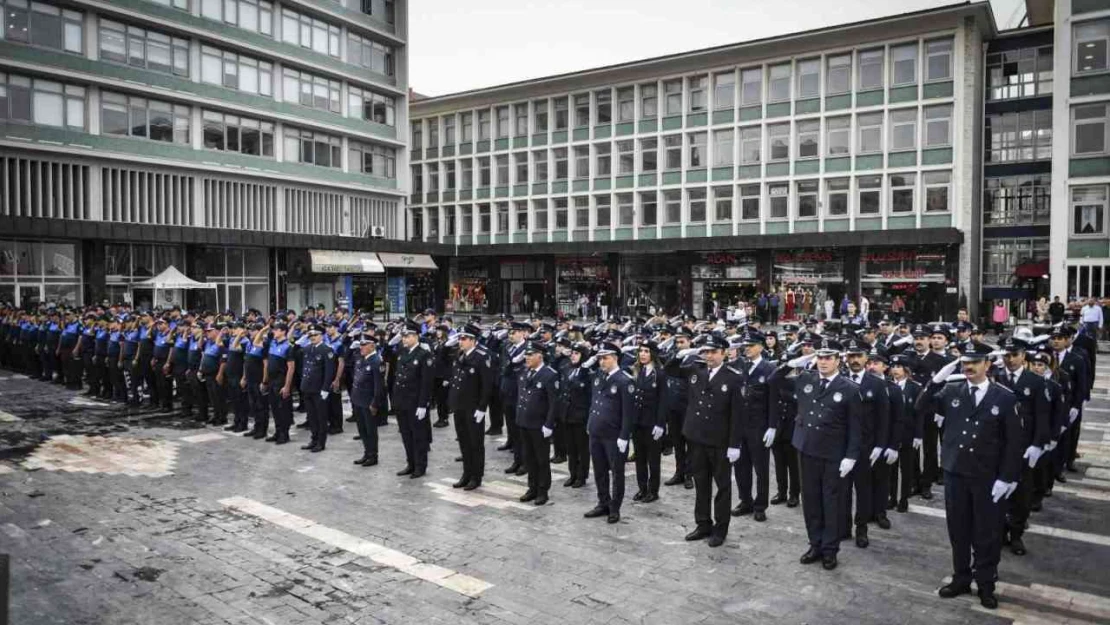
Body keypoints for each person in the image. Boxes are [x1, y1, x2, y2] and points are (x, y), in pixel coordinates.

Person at [926, 342, 1022, 611]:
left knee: (987, 533)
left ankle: (986, 583)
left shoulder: (1004, 397)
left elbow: (1014, 442)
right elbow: (921, 407)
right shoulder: (952, 390)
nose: (968, 367)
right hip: (955, 473)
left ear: (987, 365)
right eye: (964, 362)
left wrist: (1007, 477)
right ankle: (961, 578)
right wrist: (936, 380)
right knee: (958, 530)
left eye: (974, 362)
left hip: (986, 477)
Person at [668, 334, 744, 548]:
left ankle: (720, 529)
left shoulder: (734, 377)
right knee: (701, 484)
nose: (708, 356)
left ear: (724, 353)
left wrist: (734, 444)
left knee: (722, 487)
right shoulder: (696, 369)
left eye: (713, 352)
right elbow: (669, 370)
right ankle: (703, 523)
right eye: (705, 351)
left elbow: (738, 415)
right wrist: (683, 353)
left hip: (720, 441)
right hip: (696, 438)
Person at [792, 338, 861, 571]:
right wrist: (799, 360)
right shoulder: (806, 379)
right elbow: (775, 379)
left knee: (831, 503)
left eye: (828, 358)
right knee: (810, 501)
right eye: (820, 357)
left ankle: (830, 549)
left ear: (838, 360)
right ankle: (815, 544)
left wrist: (851, 456)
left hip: (833, 454)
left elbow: (856, 426)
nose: (823, 362)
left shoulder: (849, 389)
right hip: (807, 449)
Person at [839, 338, 890, 549]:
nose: (855, 360)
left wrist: (880, 445)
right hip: (841, 445)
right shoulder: (839, 380)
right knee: (842, 489)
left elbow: (883, 417)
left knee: (863, 490)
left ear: (866, 358)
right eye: (851, 356)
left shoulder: (876, 383)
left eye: (859, 356)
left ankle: (862, 529)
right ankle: (843, 527)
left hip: (865, 446)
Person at [584, 342, 636, 524]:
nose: (601, 362)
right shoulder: (599, 376)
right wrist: (590, 424)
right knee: (599, 470)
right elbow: (593, 401)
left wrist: (624, 436)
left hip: (613, 435)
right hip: (596, 431)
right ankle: (602, 502)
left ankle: (615, 507)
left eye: (605, 358)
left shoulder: (625, 380)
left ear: (615, 358)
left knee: (617, 473)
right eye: (599, 358)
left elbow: (629, 413)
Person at [732, 330, 776, 522]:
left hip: (759, 426)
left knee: (761, 469)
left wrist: (772, 426)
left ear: (760, 347)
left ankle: (760, 505)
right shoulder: (739, 366)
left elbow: (774, 401)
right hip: (740, 426)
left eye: (750, 346)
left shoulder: (768, 369)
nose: (746, 349)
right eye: (745, 345)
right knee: (741, 467)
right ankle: (745, 500)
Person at [448, 323, 494, 491]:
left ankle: (476, 476)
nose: (461, 341)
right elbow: (455, 381)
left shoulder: (482, 357)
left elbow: (486, 386)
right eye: (460, 338)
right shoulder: (459, 355)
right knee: (464, 443)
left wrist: (482, 408)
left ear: (473, 340)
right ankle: (466, 474)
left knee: (475, 444)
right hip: (460, 406)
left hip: (473, 408)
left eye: (464, 338)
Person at [515, 340, 559, 505]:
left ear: (540, 356)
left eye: (530, 354)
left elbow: (553, 403)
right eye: (526, 354)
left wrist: (549, 424)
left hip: (539, 425)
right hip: (525, 422)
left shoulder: (549, 375)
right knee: (529, 458)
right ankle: (531, 487)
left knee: (541, 459)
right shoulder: (526, 372)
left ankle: (542, 490)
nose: (527, 357)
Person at [886, 353, 922, 513]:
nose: (895, 370)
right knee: (890, 469)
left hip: (908, 433)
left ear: (906, 369)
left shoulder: (915, 388)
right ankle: (891, 497)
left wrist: (918, 434)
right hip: (891, 434)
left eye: (899, 367)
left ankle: (904, 498)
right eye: (893, 366)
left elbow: (919, 413)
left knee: (906, 469)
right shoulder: (886, 386)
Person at [631, 341, 665, 504]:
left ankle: (653, 490)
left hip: (652, 423)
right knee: (640, 458)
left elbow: (663, 401)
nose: (643, 354)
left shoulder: (659, 373)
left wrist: (660, 423)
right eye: (641, 351)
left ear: (653, 354)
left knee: (653, 460)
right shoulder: (637, 371)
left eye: (646, 351)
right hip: (638, 422)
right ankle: (642, 488)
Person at [350, 332, 386, 467]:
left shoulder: (377, 361)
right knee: (362, 429)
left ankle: (373, 456)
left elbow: (379, 386)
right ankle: (366, 453)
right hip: (358, 400)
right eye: (361, 345)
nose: (361, 347)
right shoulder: (361, 358)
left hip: (368, 402)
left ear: (372, 346)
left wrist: (375, 403)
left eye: (364, 345)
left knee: (371, 430)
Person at [299, 324, 336, 452]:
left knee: (321, 417)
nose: (312, 337)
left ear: (322, 336)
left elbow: (329, 372)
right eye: (310, 335)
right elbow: (304, 367)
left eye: (315, 335)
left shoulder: (327, 350)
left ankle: (321, 442)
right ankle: (313, 439)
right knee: (312, 416)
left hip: (319, 389)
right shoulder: (307, 348)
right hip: (307, 387)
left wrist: (325, 389)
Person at [561, 342, 592, 488]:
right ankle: (572, 473)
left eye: (577, 353)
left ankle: (581, 476)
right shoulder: (567, 369)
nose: (573, 356)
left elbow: (590, 397)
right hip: (568, 415)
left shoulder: (588, 373)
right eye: (572, 353)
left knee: (582, 449)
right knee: (570, 448)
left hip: (581, 416)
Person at [262, 321, 295, 445]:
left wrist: (287, 386)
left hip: (281, 381)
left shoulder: (288, 346)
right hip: (271, 380)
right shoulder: (273, 343)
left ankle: (284, 434)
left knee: (283, 409)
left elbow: (291, 368)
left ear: (283, 331)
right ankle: (277, 432)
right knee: (275, 409)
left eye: (276, 330)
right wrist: (265, 381)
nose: (273, 332)